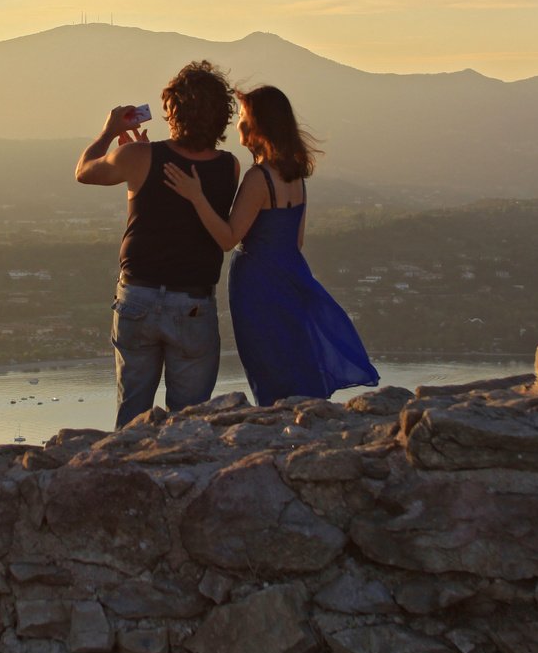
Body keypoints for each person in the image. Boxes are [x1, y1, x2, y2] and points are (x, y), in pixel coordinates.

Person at [163, 84, 378, 406]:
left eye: (244, 115)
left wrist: (196, 197)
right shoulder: (294, 176)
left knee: (268, 365)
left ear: (258, 124)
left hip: (258, 286)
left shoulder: (259, 178)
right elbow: (297, 240)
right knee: (292, 359)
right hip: (292, 276)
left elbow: (227, 238)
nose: (238, 122)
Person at [75, 60, 240, 427]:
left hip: (138, 297)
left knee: (132, 416)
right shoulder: (230, 166)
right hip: (194, 303)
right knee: (190, 422)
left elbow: (84, 171)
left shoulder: (137, 157)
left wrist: (107, 133)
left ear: (172, 111)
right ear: (220, 116)